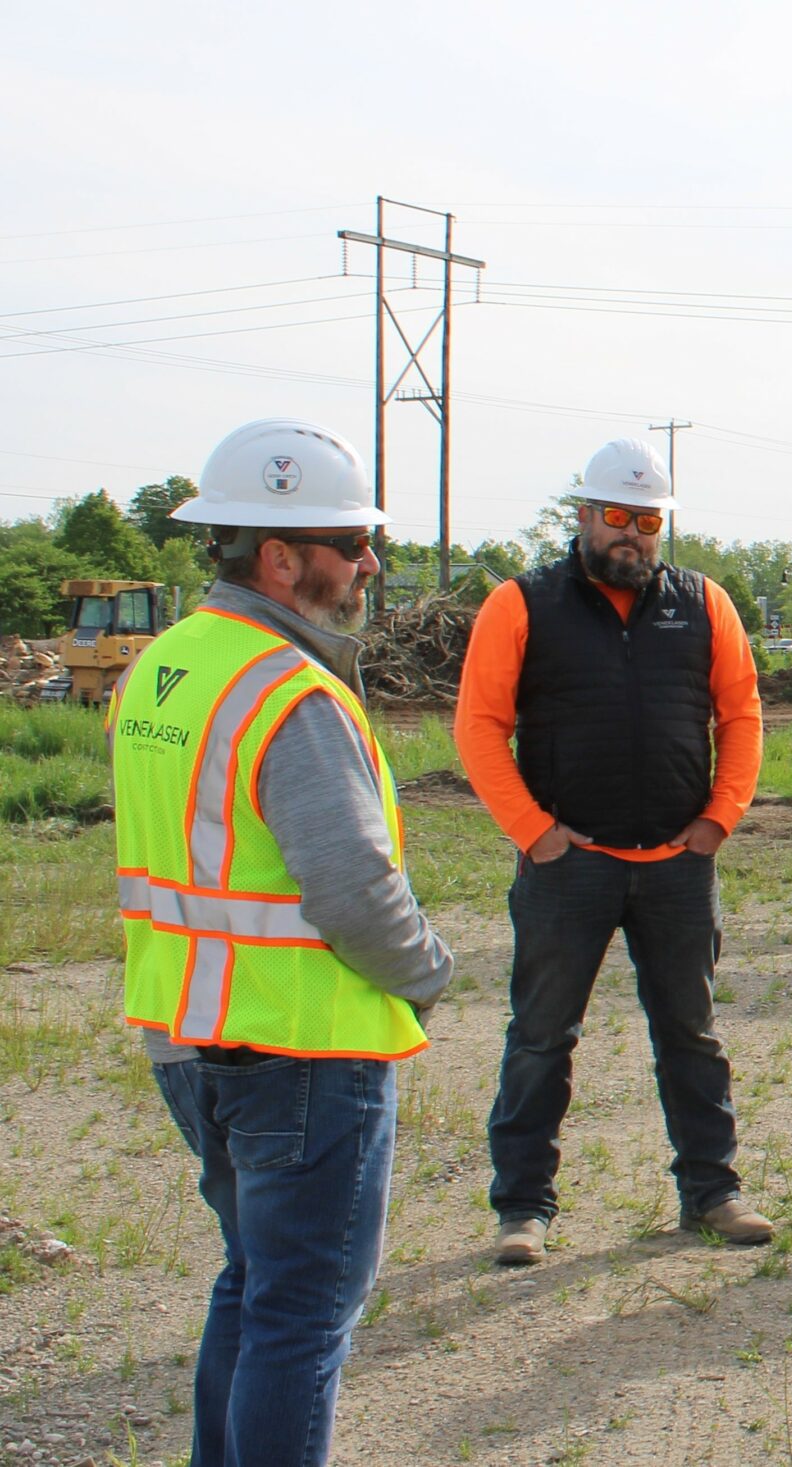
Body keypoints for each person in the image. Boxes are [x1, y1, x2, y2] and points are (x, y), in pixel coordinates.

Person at [114, 418, 453, 1466]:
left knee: (252, 1286)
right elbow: (353, 893)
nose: (369, 563)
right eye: (350, 543)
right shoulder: (288, 692)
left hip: (191, 1038)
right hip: (300, 1053)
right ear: (279, 558)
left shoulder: (166, 665)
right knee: (301, 1320)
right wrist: (428, 973)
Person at [458, 438, 770, 1265]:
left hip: (676, 865)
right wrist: (537, 834)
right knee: (540, 1038)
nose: (634, 535)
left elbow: (741, 718)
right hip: (569, 867)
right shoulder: (521, 604)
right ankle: (523, 1207)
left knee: (692, 1036)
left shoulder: (705, 604)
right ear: (584, 515)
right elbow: (481, 728)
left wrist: (717, 821)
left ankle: (714, 1192)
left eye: (649, 520)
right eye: (619, 517)